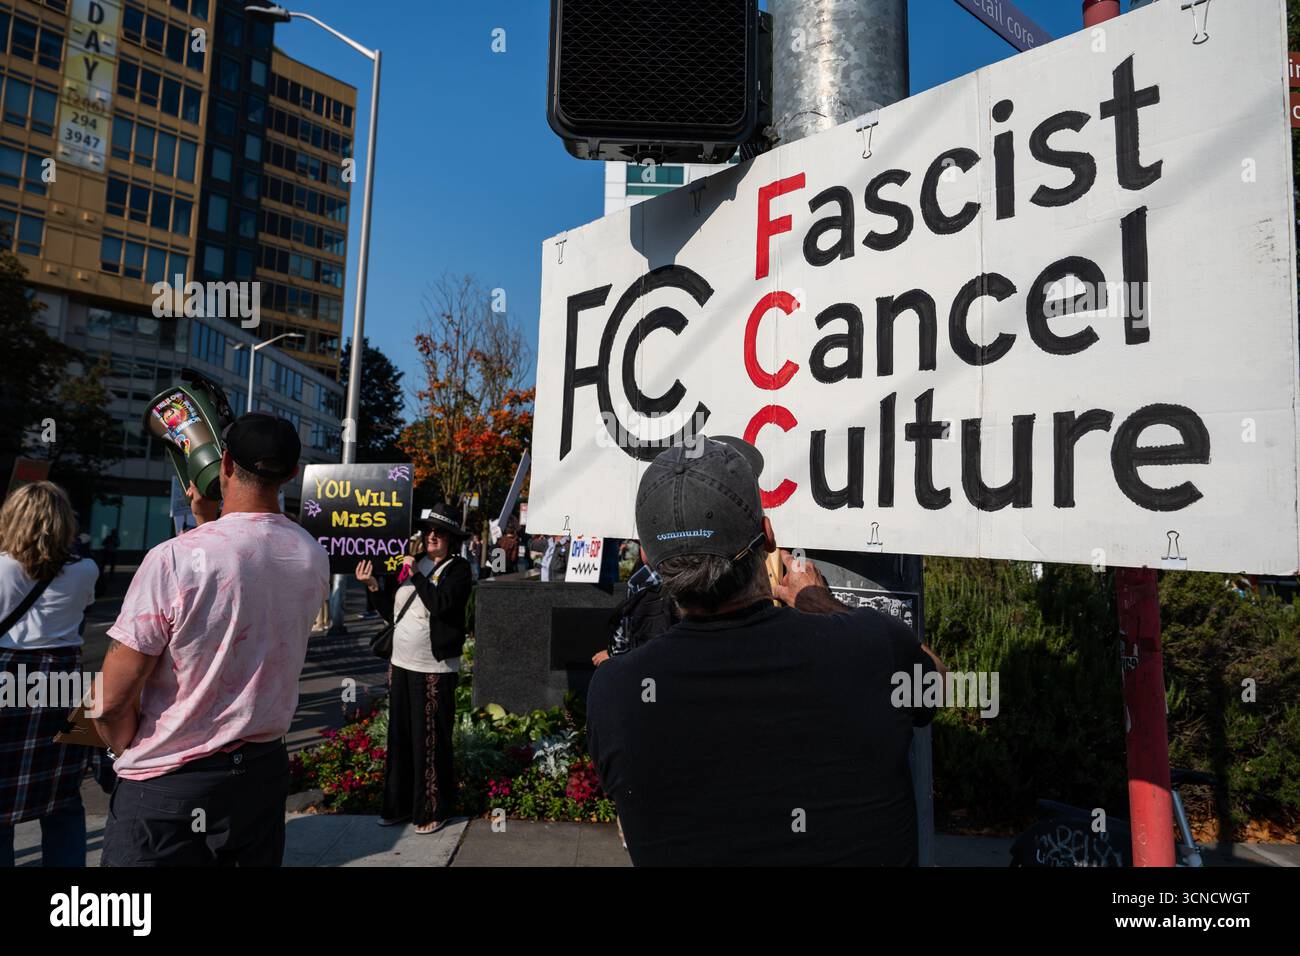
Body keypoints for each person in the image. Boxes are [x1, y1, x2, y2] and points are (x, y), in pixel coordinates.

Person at [586, 437, 946, 866]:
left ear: (647, 557)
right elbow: (936, 685)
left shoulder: (616, 693)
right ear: (768, 535)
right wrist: (822, 604)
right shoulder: (871, 646)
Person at [95, 412, 329, 867]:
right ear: (291, 474)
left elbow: (109, 700)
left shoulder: (173, 558)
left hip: (170, 784)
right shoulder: (311, 555)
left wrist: (128, 751)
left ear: (224, 464)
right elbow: (250, 556)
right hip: (259, 776)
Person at [356, 503, 472, 834]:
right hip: (402, 664)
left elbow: (440, 604)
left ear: (451, 539)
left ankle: (434, 809)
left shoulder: (458, 570)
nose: (432, 536)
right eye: (428, 531)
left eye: (440, 532)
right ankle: (398, 805)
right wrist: (374, 587)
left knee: (431, 741)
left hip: (434, 668)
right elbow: (392, 611)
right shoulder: (414, 565)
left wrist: (417, 573)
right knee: (402, 737)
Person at [0, 482, 99, 867]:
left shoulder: (3, 566)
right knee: (64, 798)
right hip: (64, 680)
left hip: (9, 679)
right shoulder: (86, 569)